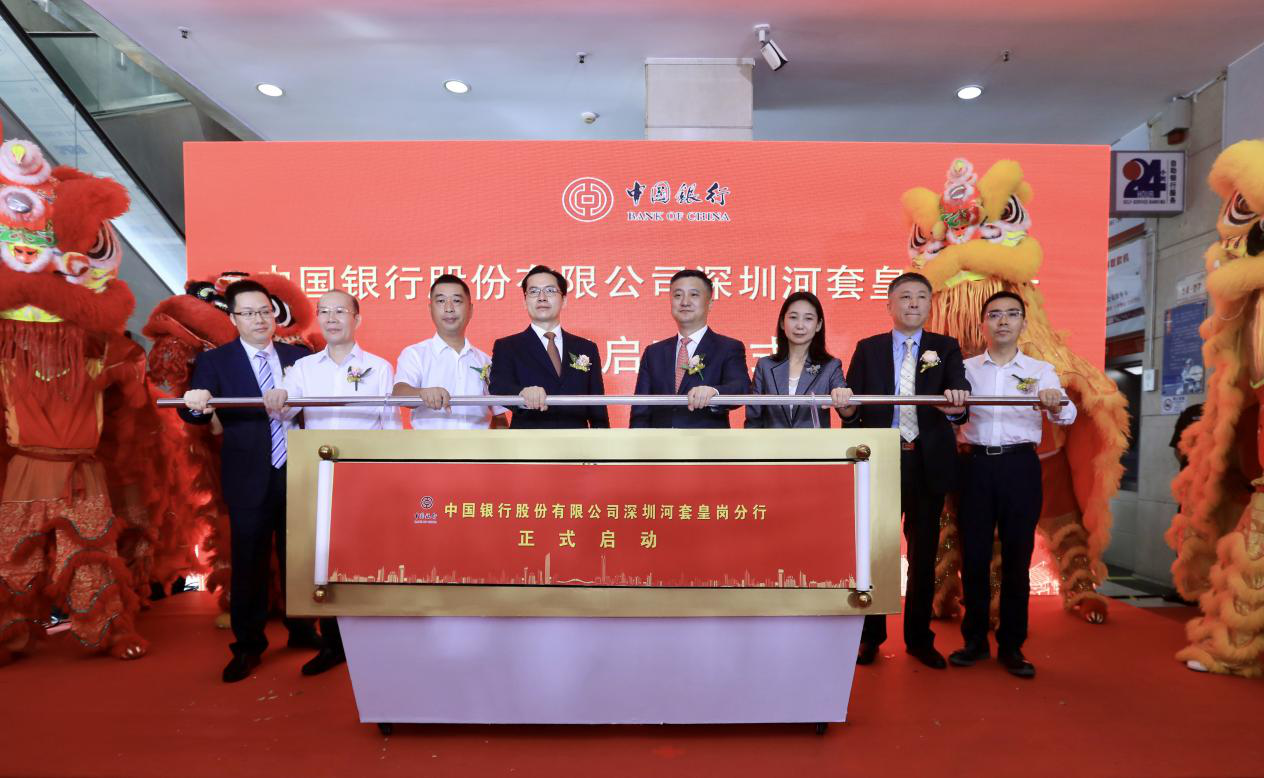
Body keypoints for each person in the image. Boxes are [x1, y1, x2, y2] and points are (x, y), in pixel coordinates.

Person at [179, 279, 322, 683]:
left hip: (297, 470)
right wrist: (196, 405)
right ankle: (248, 645)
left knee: (299, 558)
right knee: (249, 562)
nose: (259, 319)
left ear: (274, 314)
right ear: (233, 318)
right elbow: (193, 411)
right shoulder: (216, 361)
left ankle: (302, 629)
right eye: (248, 313)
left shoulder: (299, 356)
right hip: (248, 475)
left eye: (265, 311)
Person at [833, 272, 969, 669]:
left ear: (929, 305)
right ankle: (870, 636)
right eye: (905, 296)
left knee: (923, 554)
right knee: (876, 554)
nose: (913, 303)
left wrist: (956, 405)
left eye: (921, 297)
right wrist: (846, 410)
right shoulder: (869, 348)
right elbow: (853, 412)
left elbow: (960, 403)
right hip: (881, 460)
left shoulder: (945, 347)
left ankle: (919, 639)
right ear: (889, 305)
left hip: (926, 462)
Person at [264, 289, 400, 676]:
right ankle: (334, 644)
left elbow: (390, 425)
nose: (332, 318)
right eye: (324, 311)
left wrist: (390, 478)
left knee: (368, 560)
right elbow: (285, 411)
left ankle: (374, 640)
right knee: (325, 562)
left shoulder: (379, 367)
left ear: (357, 319)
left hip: (366, 478)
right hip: (320, 478)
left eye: (340, 311)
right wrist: (278, 395)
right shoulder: (303, 368)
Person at [948, 291, 1076, 678]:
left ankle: (1012, 645)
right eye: (994, 315)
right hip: (974, 467)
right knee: (974, 558)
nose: (1002, 321)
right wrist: (952, 408)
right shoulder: (965, 369)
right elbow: (950, 417)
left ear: (1023, 322)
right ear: (983, 324)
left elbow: (1067, 414)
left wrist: (1054, 401)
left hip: (1020, 467)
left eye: (1011, 314)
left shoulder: (1040, 370)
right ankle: (974, 641)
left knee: (1018, 560)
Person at [489, 265, 609, 429]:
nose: (542, 297)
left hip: (577, 441)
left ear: (564, 300)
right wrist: (522, 392)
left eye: (550, 291)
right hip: (528, 440)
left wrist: (603, 441)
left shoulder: (586, 348)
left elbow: (597, 406)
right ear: (525, 301)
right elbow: (499, 387)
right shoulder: (507, 346)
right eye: (533, 291)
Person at [630, 269, 750, 428]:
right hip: (660, 442)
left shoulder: (728, 347)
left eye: (694, 295)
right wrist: (637, 440)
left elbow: (741, 387)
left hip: (706, 441)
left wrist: (714, 392)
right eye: (677, 295)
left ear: (710, 303)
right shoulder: (653, 353)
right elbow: (641, 409)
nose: (685, 302)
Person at [393, 274, 508, 429]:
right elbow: (399, 392)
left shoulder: (485, 361)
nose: (449, 308)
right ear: (430, 309)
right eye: (441, 301)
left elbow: (498, 415)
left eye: (457, 301)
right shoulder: (415, 354)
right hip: (429, 444)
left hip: (477, 444)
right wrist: (422, 393)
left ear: (470, 309)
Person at [746, 291, 848, 428]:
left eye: (808, 318)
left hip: (814, 442)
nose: (800, 325)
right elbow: (753, 419)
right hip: (772, 442)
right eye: (793, 317)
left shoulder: (830, 366)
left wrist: (844, 397)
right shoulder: (765, 365)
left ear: (818, 325)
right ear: (782, 322)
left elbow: (847, 412)